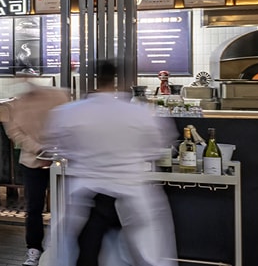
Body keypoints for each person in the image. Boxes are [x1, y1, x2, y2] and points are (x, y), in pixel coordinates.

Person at [44, 60, 175, 266]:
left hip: (85, 197)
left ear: (93, 81)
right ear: (116, 81)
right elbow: (157, 147)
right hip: (132, 196)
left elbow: (58, 147)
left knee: (83, 255)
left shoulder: (68, 113)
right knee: (143, 256)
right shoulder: (140, 113)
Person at [3, 68, 70, 266]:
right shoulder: (15, 105)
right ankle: (34, 249)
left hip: (60, 160)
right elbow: (15, 133)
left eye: (28, 77)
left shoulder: (56, 96)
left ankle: (61, 249)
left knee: (64, 206)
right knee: (34, 208)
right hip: (32, 161)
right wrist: (39, 149)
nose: (25, 81)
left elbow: (67, 122)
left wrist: (55, 148)